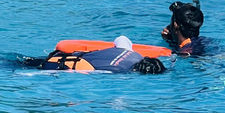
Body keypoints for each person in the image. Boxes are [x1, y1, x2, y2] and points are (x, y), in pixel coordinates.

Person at [25, 38, 166, 74]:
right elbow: (84, 71)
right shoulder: (117, 71)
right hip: (55, 64)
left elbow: (121, 38)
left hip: (62, 55)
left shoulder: (134, 53)